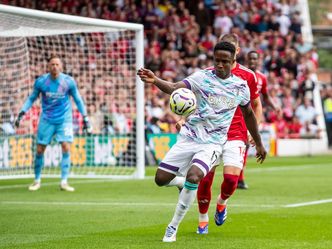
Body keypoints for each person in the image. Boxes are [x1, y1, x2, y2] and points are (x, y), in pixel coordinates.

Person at [137, 41, 266, 242]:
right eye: (217, 61)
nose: (220, 65)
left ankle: (173, 227)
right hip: (189, 137)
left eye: (225, 61)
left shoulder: (240, 86)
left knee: (195, 176)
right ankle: (181, 183)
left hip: (213, 143)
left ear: (233, 61)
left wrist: (258, 142)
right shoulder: (201, 77)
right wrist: (155, 80)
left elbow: (248, 114)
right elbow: (174, 87)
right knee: (160, 179)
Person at [194, 33, 264, 236]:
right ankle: (202, 218)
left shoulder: (248, 76)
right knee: (205, 180)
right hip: (210, 133)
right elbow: (194, 99)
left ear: (236, 53)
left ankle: (222, 202)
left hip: (236, 134)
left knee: (232, 180)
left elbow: (255, 105)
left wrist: (255, 130)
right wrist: (184, 118)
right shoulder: (207, 74)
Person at [15, 55, 91, 192]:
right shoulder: (41, 82)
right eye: (52, 64)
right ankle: (37, 180)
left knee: (66, 147)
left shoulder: (68, 82)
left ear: (61, 66)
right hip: (47, 120)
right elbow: (31, 98)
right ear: (48, 66)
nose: (55, 67)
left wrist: (85, 117)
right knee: (39, 149)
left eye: (57, 64)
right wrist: (22, 112)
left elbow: (78, 100)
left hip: (64, 120)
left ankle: (64, 181)